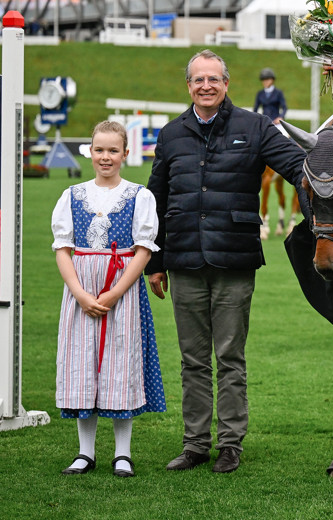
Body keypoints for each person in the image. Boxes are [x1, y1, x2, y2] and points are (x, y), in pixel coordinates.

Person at [146, 50, 306, 474]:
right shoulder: (170, 135)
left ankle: (231, 443)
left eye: (213, 79)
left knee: (230, 358)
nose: (206, 86)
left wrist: (332, 166)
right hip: (182, 259)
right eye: (198, 79)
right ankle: (195, 443)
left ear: (226, 83)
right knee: (192, 359)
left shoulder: (255, 127)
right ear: (189, 86)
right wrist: (154, 262)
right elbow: (155, 202)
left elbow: (298, 168)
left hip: (234, 259)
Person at [52, 120, 166, 478]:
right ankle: (85, 452)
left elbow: (144, 249)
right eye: (99, 150)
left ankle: (122, 453)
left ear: (125, 154)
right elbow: (63, 248)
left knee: (120, 365)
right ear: (90, 152)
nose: (105, 157)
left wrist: (116, 291)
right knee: (82, 364)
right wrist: (80, 294)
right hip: (81, 288)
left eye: (113, 150)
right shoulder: (72, 195)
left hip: (123, 288)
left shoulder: (139, 196)